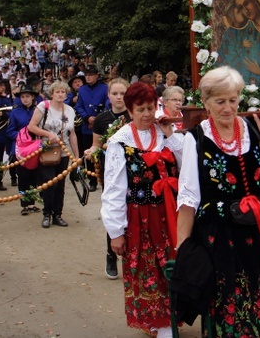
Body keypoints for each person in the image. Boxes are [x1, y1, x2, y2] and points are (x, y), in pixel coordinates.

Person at [176, 66, 260, 336]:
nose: (228, 108)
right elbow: (188, 198)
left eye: (233, 100)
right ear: (205, 103)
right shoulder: (195, 140)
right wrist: (182, 250)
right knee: (230, 309)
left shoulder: (255, 129)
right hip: (221, 240)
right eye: (220, 101)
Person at [100, 82, 182, 337]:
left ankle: (171, 317)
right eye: (140, 109)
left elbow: (186, 163)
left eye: (151, 108)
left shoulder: (166, 132)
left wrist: (171, 134)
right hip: (140, 216)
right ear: (129, 110)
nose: (147, 114)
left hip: (169, 212)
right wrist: (115, 231)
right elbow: (114, 188)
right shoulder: (120, 141)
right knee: (147, 267)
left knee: (172, 263)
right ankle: (157, 321)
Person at [84, 77, 130, 279]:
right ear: (109, 95)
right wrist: (91, 150)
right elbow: (96, 144)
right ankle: (111, 255)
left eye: (122, 93)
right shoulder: (102, 119)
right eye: (115, 93)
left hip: (133, 172)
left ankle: (132, 259)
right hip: (110, 174)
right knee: (114, 213)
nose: (119, 97)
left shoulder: (135, 116)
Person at [28, 80, 79, 228]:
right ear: (52, 93)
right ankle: (46, 214)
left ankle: (58, 214)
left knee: (60, 184)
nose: (60, 94)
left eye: (63, 92)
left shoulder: (70, 110)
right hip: (47, 150)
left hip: (63, 151)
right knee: (49, 182)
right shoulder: (43, 107)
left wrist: (76, 155)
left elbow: (72, 134)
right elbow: (32, 126)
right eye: (57, 92)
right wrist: (48, 134)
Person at [7, 86, 40, 214]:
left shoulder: (38, 111)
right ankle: (24, 204)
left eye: (27, 96)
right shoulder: (15, 112)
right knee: (22, 176)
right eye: (22, 97)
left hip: (35, 147)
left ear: (32, 97)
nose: (25, 99)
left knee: (34, 176)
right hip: (20, 149)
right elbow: (10, 131)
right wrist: (22, 138)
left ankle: (32, 203)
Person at [75, 64, 108, 192]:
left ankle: (104, 180)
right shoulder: (82, 89)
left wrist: (98, 119)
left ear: (96, 76)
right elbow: (79, 106)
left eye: (90, 75)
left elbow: (107, 104)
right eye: (86, 75)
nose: (88, 77)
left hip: (101, 124)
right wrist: (87, 117)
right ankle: (92, 180)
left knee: (102, 153)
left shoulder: (104, 88)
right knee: (89, 153)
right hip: (87, 125)